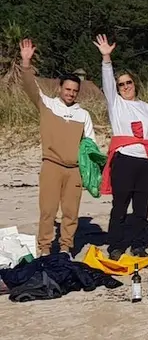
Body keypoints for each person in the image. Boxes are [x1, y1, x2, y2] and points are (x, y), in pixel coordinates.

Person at [19, 39, 96, 257]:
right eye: (68, 89)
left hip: (74, 170)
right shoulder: (47, 105)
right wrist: (26, 63)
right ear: (60, 88)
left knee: (71, 213)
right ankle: (44, 248)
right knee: (48, 211)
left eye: (74, 91)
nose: (71, 93)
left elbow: (90, 145)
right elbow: (29, 87)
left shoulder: (83, 114)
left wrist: (92, 172)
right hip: (51, 165)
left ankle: (65, 248)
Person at [92, 35, 148, 260]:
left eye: (128, 82)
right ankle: (116, 244)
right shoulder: (116, 104)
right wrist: (106, 58)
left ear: (135, 84)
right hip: (124, 159)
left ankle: (139, 244)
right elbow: (106, 82)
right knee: (120, 205)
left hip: (145, 161)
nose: (125, 86)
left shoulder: (147, 107)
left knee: (141, 207)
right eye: (121, 84)